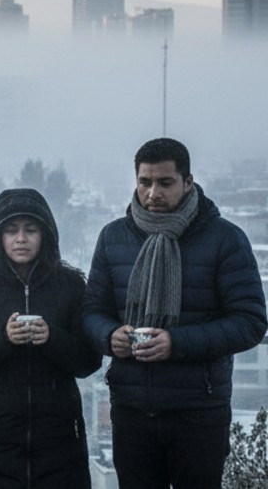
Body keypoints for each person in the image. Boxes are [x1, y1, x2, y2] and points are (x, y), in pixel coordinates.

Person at [82, 138, 267, 488]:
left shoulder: (225, 239)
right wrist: (109, 335)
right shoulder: (113, 238)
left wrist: (176, 342)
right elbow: (91, 311)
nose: (153, 193)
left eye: (165, 182)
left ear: (188, 182)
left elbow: (250, 322)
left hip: (199, 412)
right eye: (145, 182)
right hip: (131, 409)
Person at [0, 188, 100, 489]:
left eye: (30, 230)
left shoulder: (70, 286)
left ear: (45, 235)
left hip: (59, 443)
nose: (21, 239)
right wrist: (2, 338)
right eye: (11, 230)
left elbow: (89, 360)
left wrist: (52, 338)